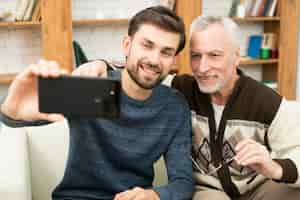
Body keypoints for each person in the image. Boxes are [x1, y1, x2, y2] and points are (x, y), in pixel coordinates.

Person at [77, 16, 300, 200]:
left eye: (214, 55)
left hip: (260, 188)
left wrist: (274, 168)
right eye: (196, 56)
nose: (203, 67)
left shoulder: (267, 102)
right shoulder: (181, 89)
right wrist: (102, 64)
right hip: (208, 192)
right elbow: (143, 70)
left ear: (236, 56)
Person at [0, 6, 194, 200]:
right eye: (147, 45)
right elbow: (15, 114)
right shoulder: (97, 90)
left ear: (173, 59)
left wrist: (154, 195)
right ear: (127, 45)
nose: (154, 60)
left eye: (166, 52)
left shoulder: (173, 106)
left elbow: (183, 183)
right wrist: (11, 110)